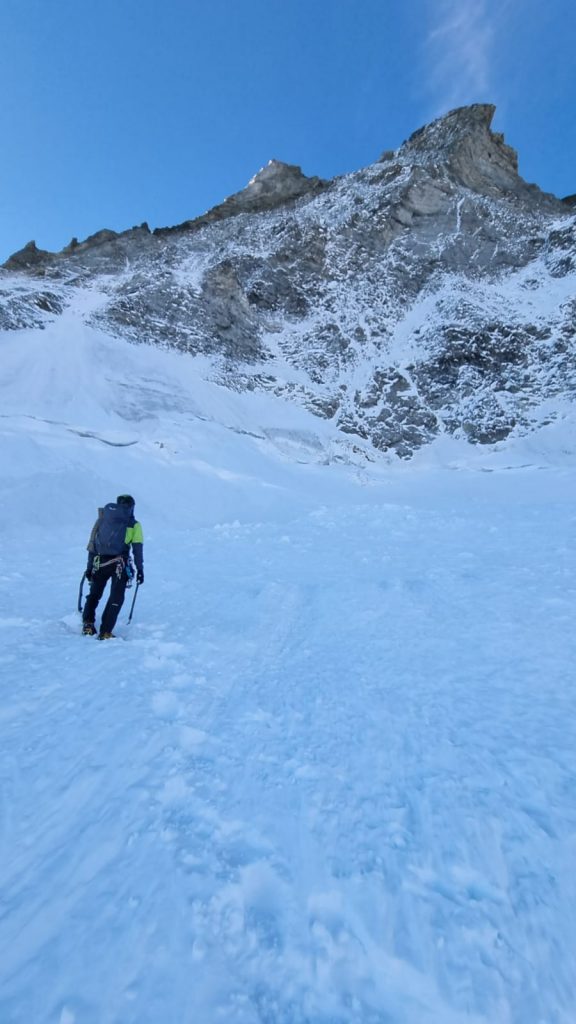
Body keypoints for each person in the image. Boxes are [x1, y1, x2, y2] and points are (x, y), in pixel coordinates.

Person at [82, 494, 144, 639]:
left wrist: (90, 567)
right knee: (116, 597)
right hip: (120, 565)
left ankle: (88, 624)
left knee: (95, 594)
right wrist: (140, 569)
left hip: (99, 562)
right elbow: (137, 549)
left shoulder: (102, 519)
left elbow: (93, 545)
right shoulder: (134, 524)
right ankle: (105, 632)